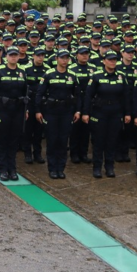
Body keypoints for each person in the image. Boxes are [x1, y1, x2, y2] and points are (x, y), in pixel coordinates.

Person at [83, 52, 131, 178]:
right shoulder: (96, 76)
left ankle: (109, 167)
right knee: (99, 141)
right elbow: (88, 96)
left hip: (115, 112)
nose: (112, 62)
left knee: (112, 141)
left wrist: (127, 113)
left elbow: (126, 96)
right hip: (100, 112)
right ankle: (97, 167)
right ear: (104, 61)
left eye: (114, 60)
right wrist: (86, 113)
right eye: (110, 60)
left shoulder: (121, 76)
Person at [37, 49, 80, 179]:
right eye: (62, 58)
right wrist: (38, 111)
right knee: (52, 140)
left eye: (67, 58)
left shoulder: (72, 75)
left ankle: (60, 168)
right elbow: (40, 94)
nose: (64, 60)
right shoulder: (48, 74)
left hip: (66, 112)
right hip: (51, 112)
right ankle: (52, 168)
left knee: (63, 141)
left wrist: (78, 110)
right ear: (56, 59)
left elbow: (78, 95)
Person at [0, 47, 27, 181]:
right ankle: (3, 169)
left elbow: (25, 93)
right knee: (2, 139)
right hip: (2, 109)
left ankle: (12, 169)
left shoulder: (22, 72)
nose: (13, 57)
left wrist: (26, 110)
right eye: (11, 55)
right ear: (6, 57)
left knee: (14, 140)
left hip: (17, 110)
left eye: (15, 55)